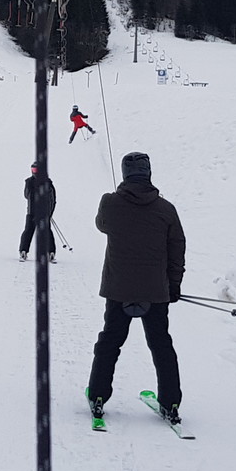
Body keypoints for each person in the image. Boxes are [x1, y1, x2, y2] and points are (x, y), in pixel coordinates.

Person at [86, 151, 186, 425]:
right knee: (161, 344)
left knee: (109, 342)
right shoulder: (166, 210)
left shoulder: (110, 203)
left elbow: (100, 225)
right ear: (149, 173)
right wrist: (173, 285)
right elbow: (177, 249)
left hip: (118, 289)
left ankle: (97, 395)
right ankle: (171, 402)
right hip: (156, 291)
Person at [19, 163, 57, 261]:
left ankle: (51, 252)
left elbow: (53, 199)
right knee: (28, 231)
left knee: (46, 232)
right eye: (33, 170)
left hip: (44, 213)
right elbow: (26, 195)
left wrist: (49, 212)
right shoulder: (29, 182)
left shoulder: (47, 182)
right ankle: (23, 251)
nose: (34, 172)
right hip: (32, 212)